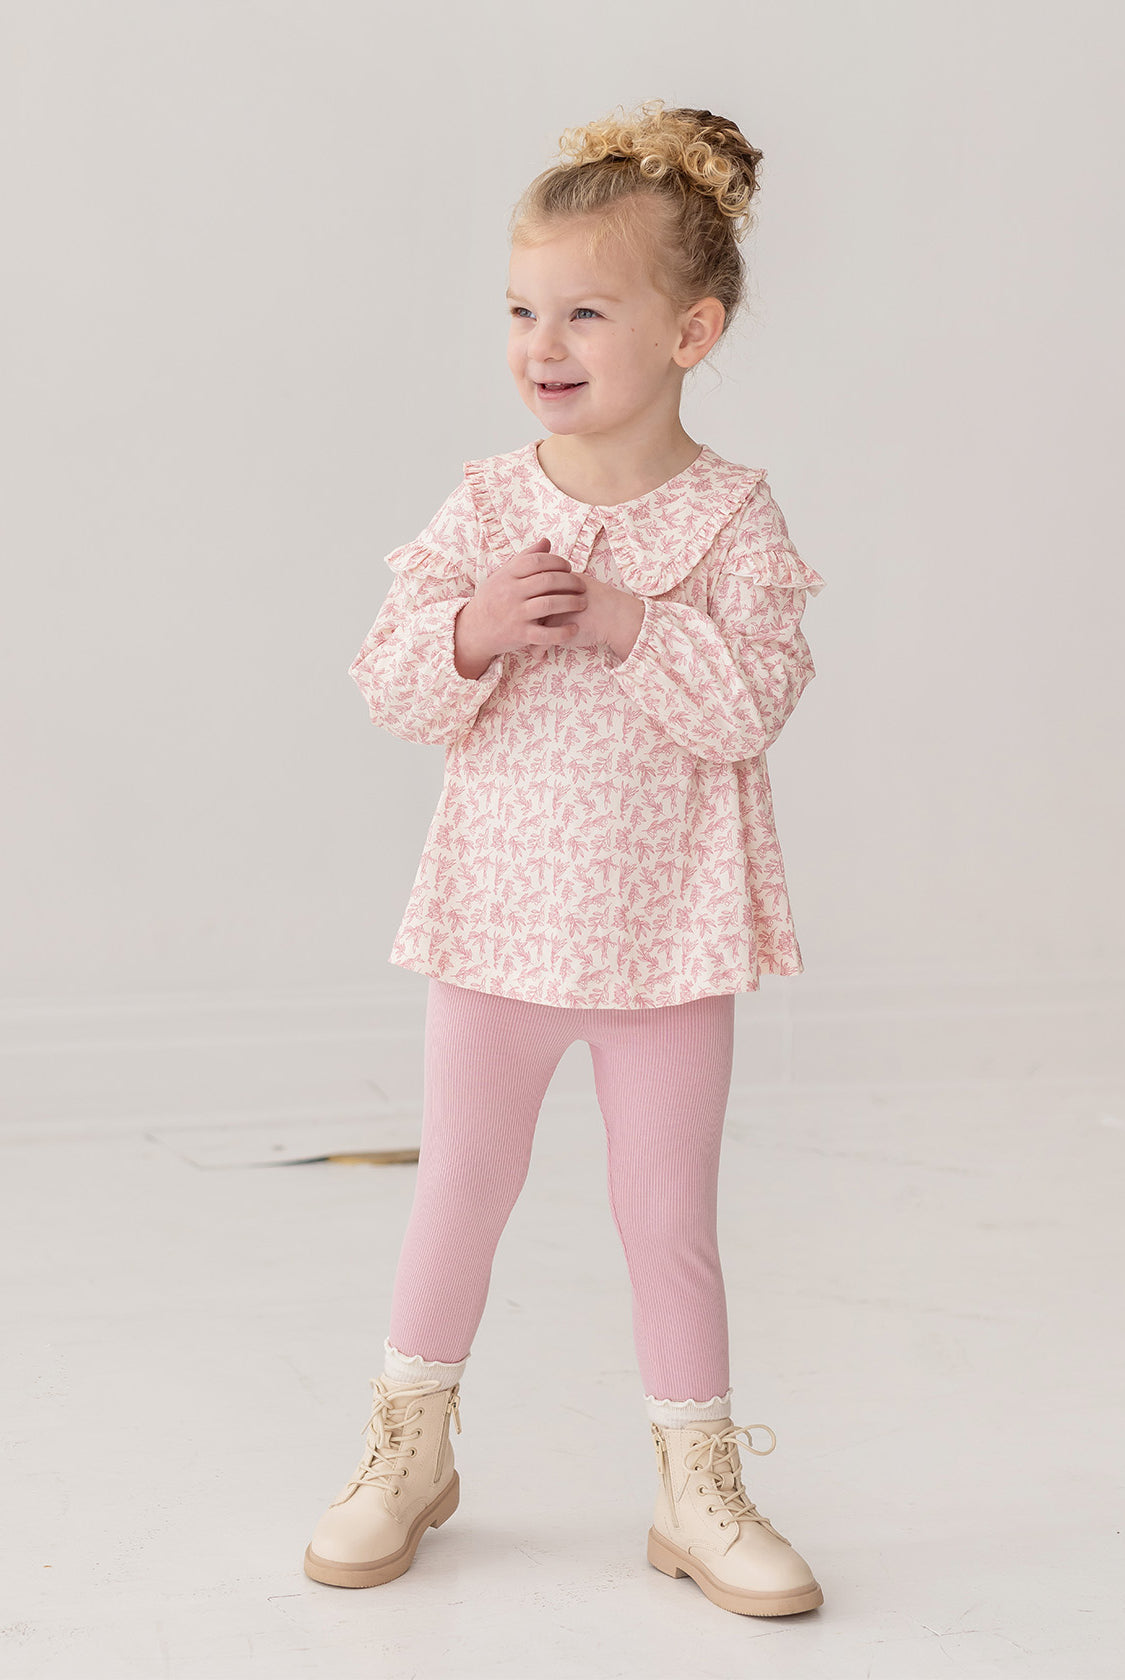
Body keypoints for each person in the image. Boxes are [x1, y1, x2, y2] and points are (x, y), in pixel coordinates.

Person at [304, 98, 828, 1619]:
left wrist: (622, 621)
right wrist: (470, 631)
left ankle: (695, 1483)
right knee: (459, 1188)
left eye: (586, 309)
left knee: (665, 1217)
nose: (544, 339)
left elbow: (749, 709)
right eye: (523, 309)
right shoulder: (484, 505)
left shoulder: (731, 519)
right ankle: (408, 1448)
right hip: (496, 935)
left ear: (691, 329)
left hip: (666, 938)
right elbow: (392, 684)